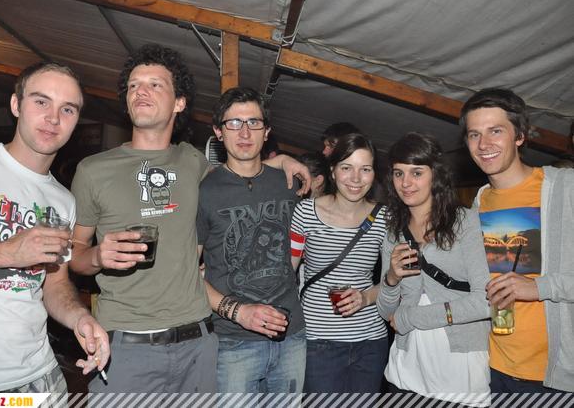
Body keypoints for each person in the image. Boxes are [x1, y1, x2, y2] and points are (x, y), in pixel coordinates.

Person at [69, 45, 309, 393]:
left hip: (198, 344)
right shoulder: (93, 170)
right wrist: (96, 256)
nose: (140, 91)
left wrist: (281, 161)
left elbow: (237, 173)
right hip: (126, 344)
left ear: (179, 103)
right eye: (134, 85)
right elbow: (73, 254)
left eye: (154, 84)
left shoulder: (192, 162)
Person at [0, 62, 109, 397]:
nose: (53, 118)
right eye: (41, 101)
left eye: (67, 109)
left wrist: (79, 318)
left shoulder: (64, 200)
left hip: (41, 375)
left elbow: (54, 284)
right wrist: (7, 252)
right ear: (16, 105)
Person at [460, 88, 574, 393]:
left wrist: (539, 287)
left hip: (554, 376)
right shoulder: (480, 201)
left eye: (495, 131)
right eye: (474, 134)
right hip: (494, 368)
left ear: (520, 135)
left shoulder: (565, 188)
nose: (483, 144)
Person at [197, 87, 306, 393]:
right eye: (234, 123)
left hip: (292, 337)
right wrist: (238, 312)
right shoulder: (204, 191)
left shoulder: (290, 185)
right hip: (233, 343)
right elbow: (186, 271)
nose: (244, 133)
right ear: (219, 132)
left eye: (254, 122)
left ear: (266, 131)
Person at [376, 133, 491, 406]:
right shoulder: (393, 231)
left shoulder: (466, 222)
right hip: (404, 371)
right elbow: (386, 311)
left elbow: (486, 302)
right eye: (398, 173)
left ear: (435, 175)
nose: (406, 183)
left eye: (416, 173)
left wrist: (412, 317)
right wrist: (391, 279)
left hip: (460, 373)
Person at [290, 133, 388, 392]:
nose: (356, 178)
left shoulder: (384, 218)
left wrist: (365, 297)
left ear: (373, 174)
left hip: (370, 342)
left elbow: (393, 282)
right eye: (347, 168)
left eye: (365, 169)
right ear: (332, 171)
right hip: (318, 343)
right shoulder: (305, 212)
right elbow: (286, 271)